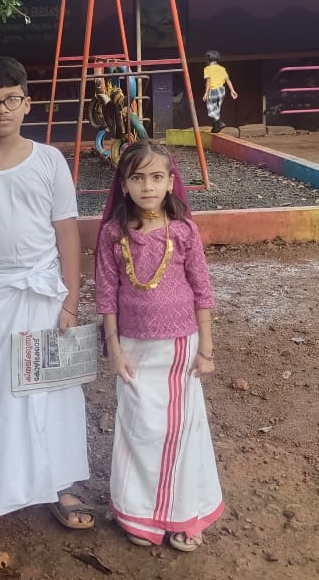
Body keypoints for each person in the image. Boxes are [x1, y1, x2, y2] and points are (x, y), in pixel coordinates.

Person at [0, 56, 92, 534]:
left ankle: (60, 485)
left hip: (43, 293)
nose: (1, 109)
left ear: (27, 103)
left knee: (52, 391)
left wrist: (70, 301)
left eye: (10, 99)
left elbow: (66, 233)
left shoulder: (49, 160)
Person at [95, 140, 223, 551]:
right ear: (123, 183)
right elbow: (106, 296)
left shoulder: (183, 231)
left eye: (156, 177)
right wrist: (114, 350)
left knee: (181, 429)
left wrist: (206, 349)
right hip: (132, 348)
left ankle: (186, 513)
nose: (147, 186)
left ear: (170, 182)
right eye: (137, 178)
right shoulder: (113, 234)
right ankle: (138, 514)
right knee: (139, 428)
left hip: (180, 347)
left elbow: (202, 290)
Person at [201, 51, 237, 133]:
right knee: (217, 109)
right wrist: (232, 90)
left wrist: (206, 93)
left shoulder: (207, 69)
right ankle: (216, 128)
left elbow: (208, 81)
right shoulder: (222, 68)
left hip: (213, 90)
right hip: (221, 90)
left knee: (211, 109)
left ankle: (220, 123)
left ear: (207, 60)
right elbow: (228, 80)